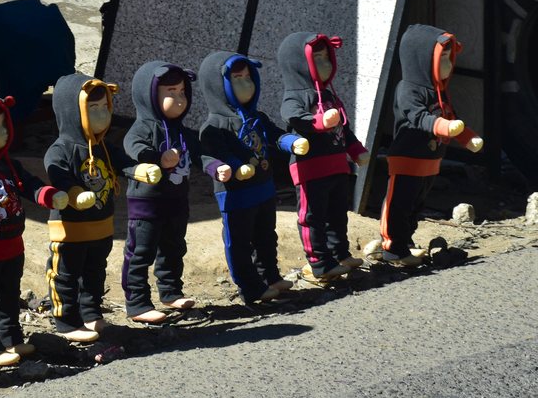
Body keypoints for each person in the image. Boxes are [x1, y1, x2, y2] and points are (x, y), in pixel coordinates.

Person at [44, 74, 160, 342]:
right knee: (66, 274)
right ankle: (65, 320)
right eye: (92, 109)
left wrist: (140, 170)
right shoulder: (61, 149)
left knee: (95, 273)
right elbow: (58, 175)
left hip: (101, 225)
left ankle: (91, 313)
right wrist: (73, 194)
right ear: (73, 111)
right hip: (70, 228)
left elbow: (123, 163)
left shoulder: (104, 147)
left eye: (104, 108)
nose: (102, 115)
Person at [0, 94, 68, 366]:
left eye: (1, 124)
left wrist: (48, 195)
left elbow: (29, 185)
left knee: (8, 294)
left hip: (11, 245)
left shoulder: (9, 164)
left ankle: (10, 338)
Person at [199, 52, 309, 304]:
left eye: (248, 77)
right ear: (220, 86)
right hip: (235, 194)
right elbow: (213, 154)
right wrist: (233, 167)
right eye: (237, 79)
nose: (245, 84)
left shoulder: (257, 118)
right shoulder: (214, 125)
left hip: (263, 188)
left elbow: (273, 135)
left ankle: (270, 275)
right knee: (239, 241)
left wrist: (291, 141)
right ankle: (250, 287)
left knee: (266, 235)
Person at [379, 24, 483, 265]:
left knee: (416, 205)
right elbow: (417, 116)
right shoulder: (407, 88)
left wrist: (467, 137)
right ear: (422, 60)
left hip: (430, 161)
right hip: (407, 157)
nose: (448, 65)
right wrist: (443, 127)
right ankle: (393, 247)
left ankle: (406, 242)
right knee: (399, 204)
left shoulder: (440, 91)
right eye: (442, 58)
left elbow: (451, 117)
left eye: (449, 58)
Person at [277, 32, 369, 284]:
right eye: (317, 58)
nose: (325, 63)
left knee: (339, 213)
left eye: (326, 57)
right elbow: (293, 117)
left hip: (338, 165)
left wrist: (356, 149)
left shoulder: (330, 96)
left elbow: (343, 129)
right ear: (299, 62)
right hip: (310, 168)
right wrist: (318, 121)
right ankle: (319, 261)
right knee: (312, 217)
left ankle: (340, 253)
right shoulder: (295, 95)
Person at [121, 61, 198, 324]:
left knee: (174, 246)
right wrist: (155, 158)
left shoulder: (181, 130)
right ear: (150, 95)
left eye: (182, 92)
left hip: (177, 198)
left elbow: (200, 150)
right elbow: (132, 146)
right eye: (171, 93)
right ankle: (137, 303)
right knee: (141, 250)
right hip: (147, 201)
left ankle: (170, 291)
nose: (178, 100)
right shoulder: (143, 127)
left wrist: (215, 163)